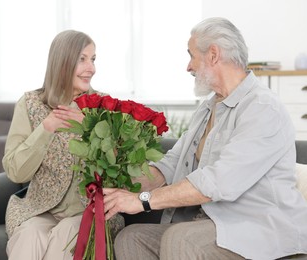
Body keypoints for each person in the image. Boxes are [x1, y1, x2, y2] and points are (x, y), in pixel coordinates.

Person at [103, 17, 307, 260]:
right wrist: (122, 187)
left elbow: (219, 181)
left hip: (256, 230)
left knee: (180, 239)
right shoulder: (207, 109)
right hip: (209, 226)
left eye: (191, 56)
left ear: (213, 54)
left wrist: (142, 201)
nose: (188, 67)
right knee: (132, 237)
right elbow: (170, 165)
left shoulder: (263, 108)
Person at [3, 30, 123, 260]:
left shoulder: (105, 106)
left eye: (93, 59)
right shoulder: (30, 104)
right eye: (82, 59)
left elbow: (118, 169)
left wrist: (90, 128)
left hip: (88, 212)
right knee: (28, 236)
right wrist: (45, 129)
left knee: (65, 236)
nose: (92, 68)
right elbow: (15, 171)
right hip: (40, 208)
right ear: (62, 62)